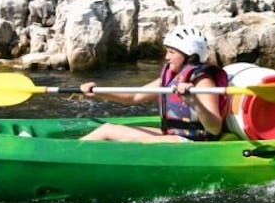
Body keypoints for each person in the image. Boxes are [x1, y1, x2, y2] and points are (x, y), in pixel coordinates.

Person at [80, 25, 229, 142]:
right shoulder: (171, 78)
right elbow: (134, 97)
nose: (166, 57)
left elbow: (215, 128)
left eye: (171, 52)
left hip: (195, 141)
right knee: (106, 130)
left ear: (189, 55)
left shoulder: (203, 81)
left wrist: (193, 101)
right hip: (173, 136)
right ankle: (67, 154)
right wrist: (98, 91)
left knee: (132, 145)